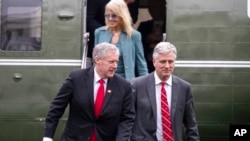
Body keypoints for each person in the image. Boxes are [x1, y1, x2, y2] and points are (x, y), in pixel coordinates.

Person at [43, 42, 135, 141]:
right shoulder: (76, 78)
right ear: (97, 60)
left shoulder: (124, 86)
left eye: (117, 62)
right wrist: (48, 136)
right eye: (111, 62)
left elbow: (127, 118)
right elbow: (56, 108)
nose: (115, 66)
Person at [130, 42, 200, 141]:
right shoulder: (137, 85)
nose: (167, 66)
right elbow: (127, 119)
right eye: (163, 62)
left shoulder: (184, 87)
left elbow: (191, 123)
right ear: (154, 62)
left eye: (170, 62)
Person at [94, 0, 148, 81]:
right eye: (107, 15)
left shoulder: (134, 35)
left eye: (114, 16)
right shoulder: (99, 32)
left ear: (122, 16)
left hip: (125, 82)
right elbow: (95, 61)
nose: (110, 19)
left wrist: (146, 85)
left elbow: (141, 64)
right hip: (103, 81)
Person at [137, 0, 166, 73]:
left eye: (157, 7)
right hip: (147, 64)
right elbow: (139, 46)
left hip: (165, 63)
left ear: (164, 7)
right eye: (151, 7)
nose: (154, 10)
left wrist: (161, 38)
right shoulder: (143, 26)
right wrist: (147, 40)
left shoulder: (170, 25)